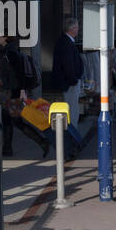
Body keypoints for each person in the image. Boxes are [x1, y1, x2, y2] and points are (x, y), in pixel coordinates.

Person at [0, 34, 49, 158]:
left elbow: (18, 73)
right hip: (12, 91)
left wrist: (22, 90)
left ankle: (42, 142)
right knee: (9, 120)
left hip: (14, 92)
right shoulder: (9, 51)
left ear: (5, 38)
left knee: (15, 122)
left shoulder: (10, 52)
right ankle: (7, 149)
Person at [51, 17, 84, 153]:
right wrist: (74, 80)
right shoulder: (66, 43)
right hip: (69, 84)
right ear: (71, 29)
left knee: (72, 110)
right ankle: (72, 141)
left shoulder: (65, 42)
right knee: (72, 111)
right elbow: (68, 64)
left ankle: (72, 139)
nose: (78, 30)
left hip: (70, 82)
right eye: (76, 27)